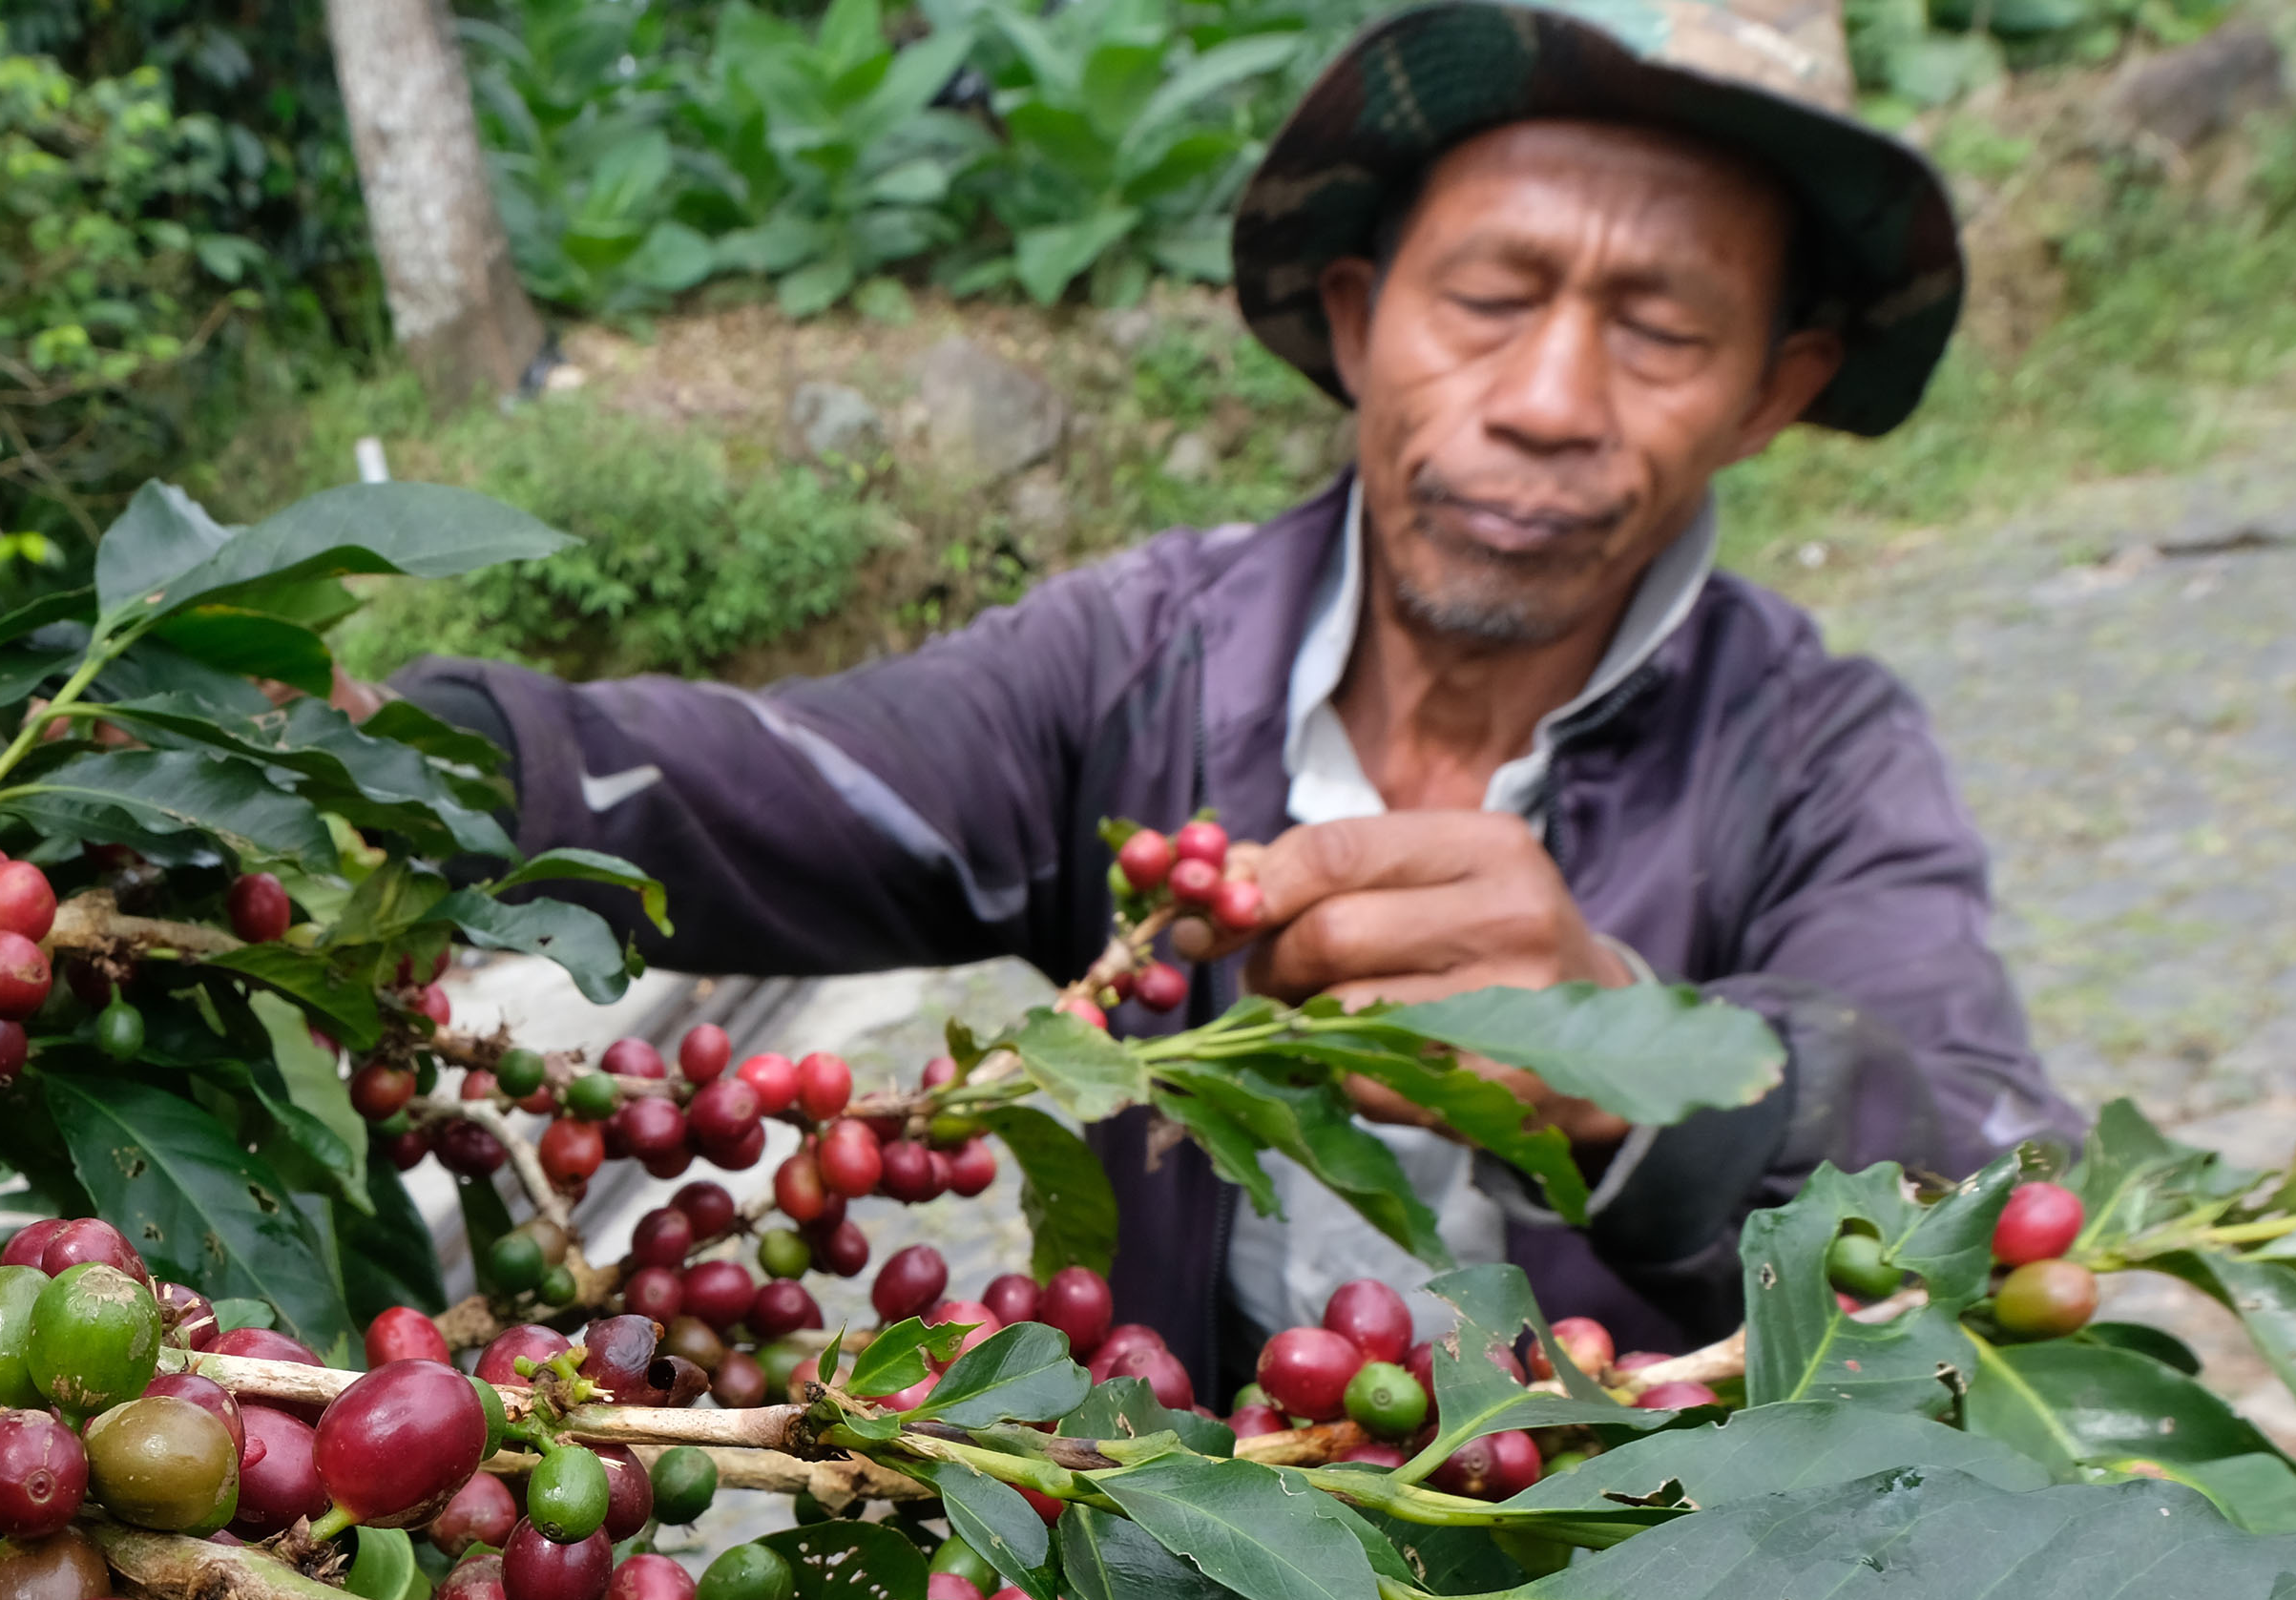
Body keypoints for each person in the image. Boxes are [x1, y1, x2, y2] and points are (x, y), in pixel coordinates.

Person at [390, 0, 2077, 1383]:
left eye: (1663, 332)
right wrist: (383, 759)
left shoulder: (1819, 752)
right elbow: (762, 783)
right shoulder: (1139, 664)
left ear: (1773, 391)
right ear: (1357, 318)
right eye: (1490, 300)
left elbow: (1996, 1189)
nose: (1551, 400)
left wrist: (1638, 1067)